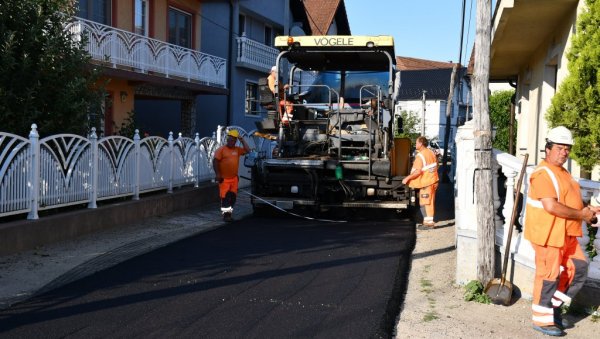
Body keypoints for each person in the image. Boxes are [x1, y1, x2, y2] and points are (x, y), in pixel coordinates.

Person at [524, 126, 600, 336]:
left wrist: (588, 209)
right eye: (559, 147)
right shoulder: (542, 174)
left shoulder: (563, 173)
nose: (564, 152)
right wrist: (583, 215)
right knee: (548, 275)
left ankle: (553, 311)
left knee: (579, 269)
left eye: (567, 148)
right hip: (548, 235)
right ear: (548, 148)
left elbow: (568, 200)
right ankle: (542, 320)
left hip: (565, 233)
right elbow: (552, 206)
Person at [212, 129, 251, 221]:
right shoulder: (221, 150)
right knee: (225, 197)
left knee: (233, 198)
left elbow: (248, 151)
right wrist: (218, 174)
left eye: (233, 140)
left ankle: (229, 213)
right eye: (229, 139)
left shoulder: (237, 150)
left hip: (234, 179)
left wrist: (242, 140)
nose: (231, 141)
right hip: (224, 179)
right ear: (227, 140)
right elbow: (215, 161)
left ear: (235, 141)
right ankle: (226, 216)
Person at [402, 136, 439, 229]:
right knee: (427, 202)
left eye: (417, 142)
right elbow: (435, 165)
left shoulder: (421, 155)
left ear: (421, 143)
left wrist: (407, 178)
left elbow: (418, 171)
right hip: (432, 180)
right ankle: (427, 222)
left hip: (427, 181)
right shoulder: (430, 152)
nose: (416, 144)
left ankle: (429, 224)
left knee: (426, 203)